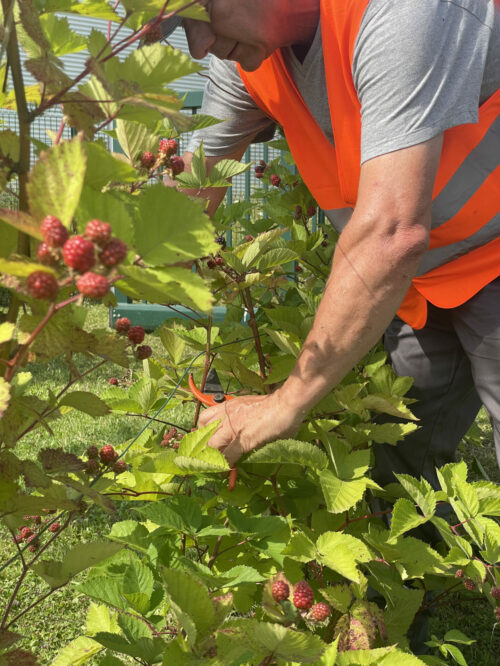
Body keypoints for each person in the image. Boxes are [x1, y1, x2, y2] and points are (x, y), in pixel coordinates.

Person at [173, 0, 500, 487]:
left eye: (200, 12)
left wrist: (285, 404)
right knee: (399, 459)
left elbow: (391, 234)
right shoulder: (246, 62)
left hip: (468, 250)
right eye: (181, 28)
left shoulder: (403, 10)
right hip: (424, 278)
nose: (198, 46)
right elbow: (185, 202)